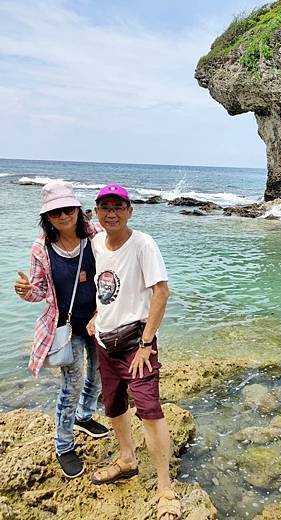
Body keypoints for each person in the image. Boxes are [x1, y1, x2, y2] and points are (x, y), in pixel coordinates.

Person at [88, 184, 180, 520]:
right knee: (113, 406)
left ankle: (165, 487)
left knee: (150, 411)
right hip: (104, 340)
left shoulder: (143, 244)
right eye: (104, 207)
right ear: (96, 212)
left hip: (135, 344)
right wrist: (98, 316)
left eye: (118, 207)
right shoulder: (97, 242)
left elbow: (161, 292)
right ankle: (127, 459)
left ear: (130, 211)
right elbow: (106, 286)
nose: (111, 213)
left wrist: (145, 343)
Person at [14, 180, 109, 479]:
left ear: (78, 210)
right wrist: (25, 291)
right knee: (72, 384)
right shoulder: (41, 248)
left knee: (97, 375)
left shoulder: (96, 235)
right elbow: (39, 291)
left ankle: (84, 417)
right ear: (48, 218)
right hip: (65, 327)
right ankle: (63, 445)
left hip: (98, 320)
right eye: (56, 212)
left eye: (68, 209)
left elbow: (113, 271)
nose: (64, 215)